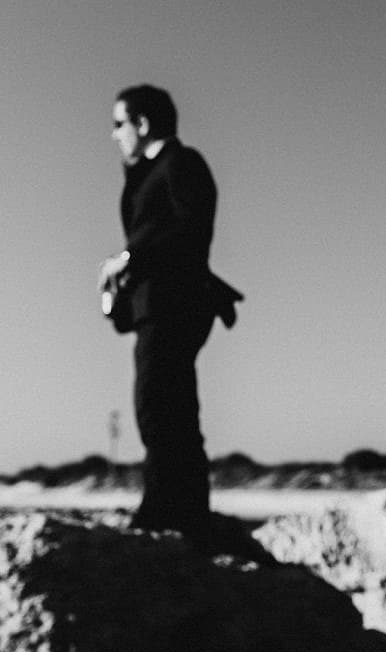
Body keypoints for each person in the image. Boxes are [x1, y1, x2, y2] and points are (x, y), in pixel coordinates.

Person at [98, 85, 238, 538]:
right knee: (165, 407)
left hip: (176, 304)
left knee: (160, 407)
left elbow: (191, 227)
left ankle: (169, 514)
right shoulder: (150, 173)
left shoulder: (182, 162)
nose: (113, 134)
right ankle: (182, 512)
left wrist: (129, 259)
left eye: (119, 124)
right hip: (159, 305)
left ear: (142, 123)